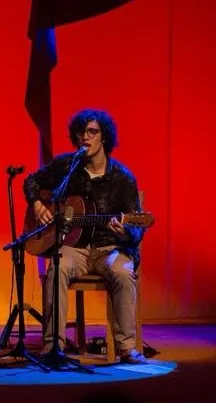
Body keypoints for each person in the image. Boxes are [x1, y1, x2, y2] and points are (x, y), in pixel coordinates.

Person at [24, 108, 146, 364]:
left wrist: (126, 230)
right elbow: (31, 181)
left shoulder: (122, 179)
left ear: (105, 137)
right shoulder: (68, 166)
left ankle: (126, 348)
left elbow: (138, 227)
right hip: (75, 249)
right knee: (57, 269)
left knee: (123, 272)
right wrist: (37, 205)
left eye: (92, 132)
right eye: (81, 133)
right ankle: (52, 348)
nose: (85, 138)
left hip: (109, 248)